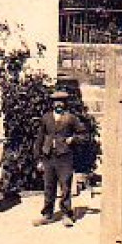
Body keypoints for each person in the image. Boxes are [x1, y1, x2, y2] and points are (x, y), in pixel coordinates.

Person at [33, 87, 85, 227]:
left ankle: (67, 214)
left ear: (65, 103)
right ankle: (47, 214)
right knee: (48, 186)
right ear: (52, 104)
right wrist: (38, 158)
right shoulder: (46, 118)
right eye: (56, 102)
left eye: (61, 102)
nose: (59, 104)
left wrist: (72, 139)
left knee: (65, 186)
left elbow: (83, 134)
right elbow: (40, 138)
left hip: (65, 157)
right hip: (48, 156)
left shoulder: (71, 118)